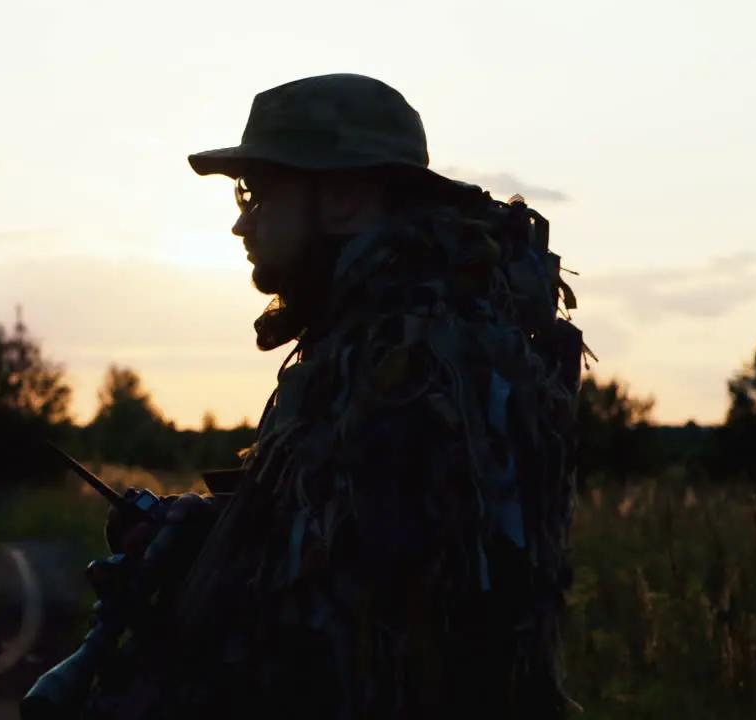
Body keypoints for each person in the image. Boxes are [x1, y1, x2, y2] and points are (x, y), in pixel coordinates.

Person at [93, 73, 584, 720]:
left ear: (346, 196)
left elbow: (369, 631)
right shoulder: (382, 338)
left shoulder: (414, 364)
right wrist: (206, 537)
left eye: (259, 192)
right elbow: (334, 547)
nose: (242, 221)